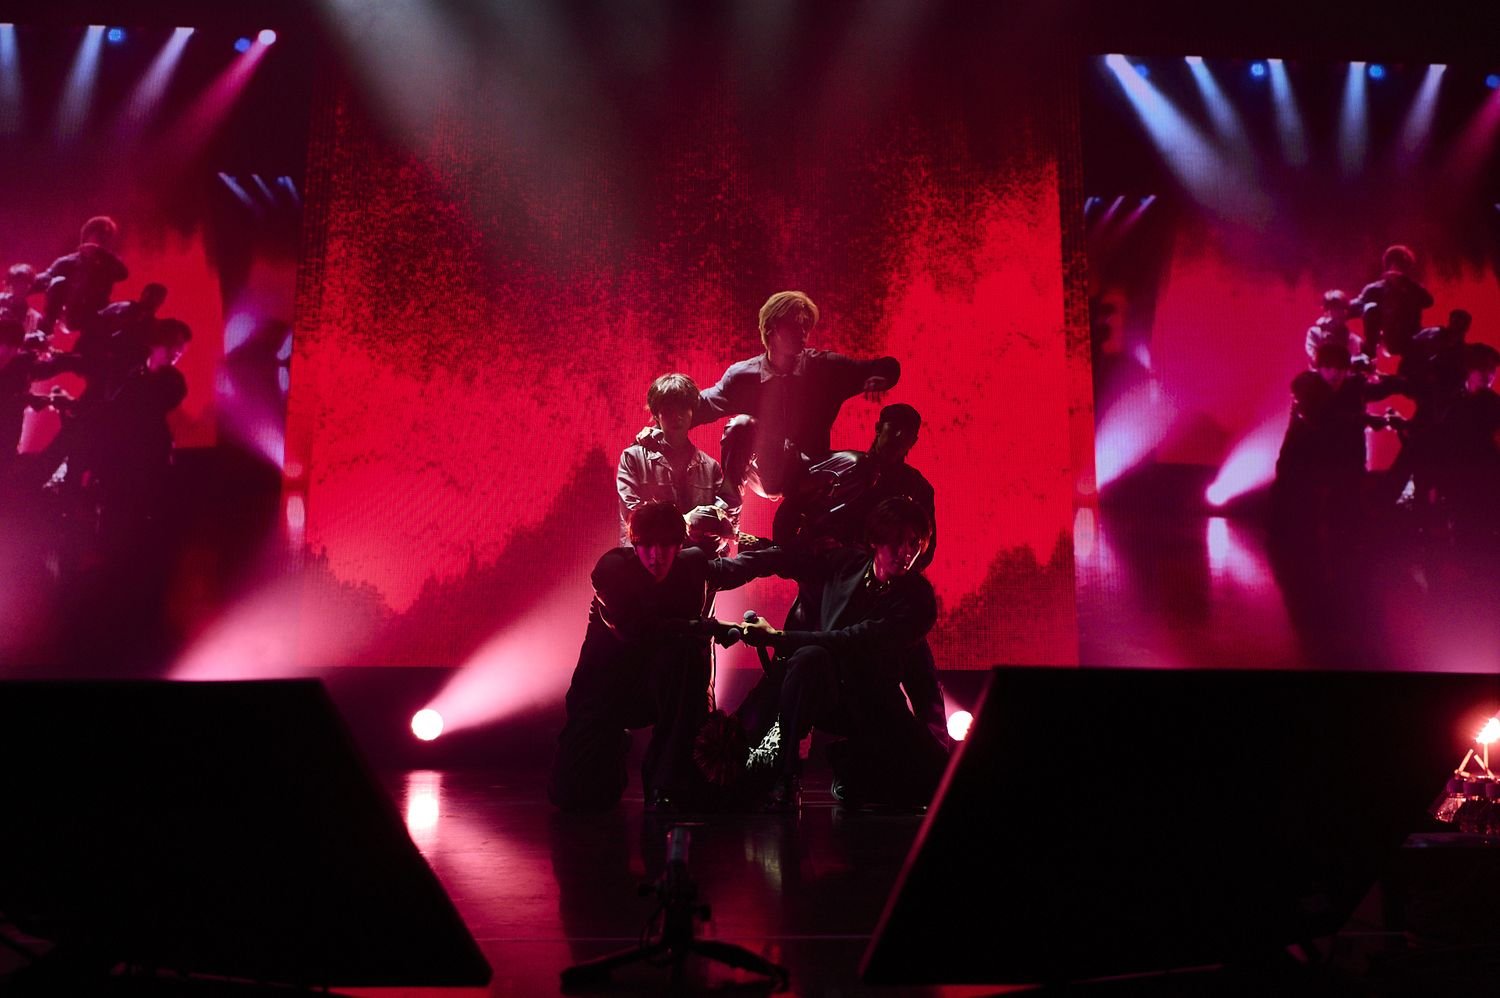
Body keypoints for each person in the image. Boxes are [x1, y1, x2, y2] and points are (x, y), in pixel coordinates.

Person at [548, 501, 782, 812]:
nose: (656, 556)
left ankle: (667, 783)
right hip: (607, 691)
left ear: (678, 545)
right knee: (575, 796)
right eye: (647, 546)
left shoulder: (692, 566)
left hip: (667, 688)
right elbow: (636, 630)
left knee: (686, 656)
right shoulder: (612, 571)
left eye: (665, 546)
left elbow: (738, 568)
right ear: (635, 545)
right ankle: (612, 749)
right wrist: (710, 626)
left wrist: (788, 554)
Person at [734, 496, 948, 812]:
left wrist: (777, 637)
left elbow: (855, 640)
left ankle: (853, 766)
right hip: (828, 692)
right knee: (809, 659)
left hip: (875, 707)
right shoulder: (846, 564)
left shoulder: (918, 600)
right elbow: (793, 561)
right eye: (897, 541)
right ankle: (786, 776)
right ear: (876, 541)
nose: (906, 552)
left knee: (937, 784)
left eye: (914, 543)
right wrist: (736, 552)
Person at [692, 291, 900, 499]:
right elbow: (704, 404)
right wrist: (672, 410)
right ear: (770, 327)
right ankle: (729, 504)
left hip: (811, 468)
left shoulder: (825, 367)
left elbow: (884, 367)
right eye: (794, 325)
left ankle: (825, 514)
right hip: (767, 472)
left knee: (858, 463)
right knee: (741, 425)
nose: (802, 332)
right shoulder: (743, 376)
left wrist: (881, 378)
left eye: (806, 326)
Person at [1269, 342, 1406, 549]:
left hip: (1333, 462)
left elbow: (1376, 391)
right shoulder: (1306, 386)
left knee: (1340, 509)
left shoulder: (1351, 387)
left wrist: (1396, 382)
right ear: (1319, 367)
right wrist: (1366, 420)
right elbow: (1321, 417)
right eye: (1328, 367)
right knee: (1293, 515)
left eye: (1339, 368)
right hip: (1301, 461)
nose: (1334, 374)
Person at [771, 402, 937, 569]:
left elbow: (924, 551)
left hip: (874, 578)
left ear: (913, 441)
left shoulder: (918, 489)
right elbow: (789, 513)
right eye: (895, 427)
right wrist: (802, 551)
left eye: (907, 433)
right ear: (879, 428)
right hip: (825, 570)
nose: (899, 436)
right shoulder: (843, 467)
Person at [617, 373, 740, 553]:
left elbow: (724, 526)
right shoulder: (633, 458)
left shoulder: (710, 467)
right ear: (656, 414)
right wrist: (685, 521)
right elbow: (633, 516)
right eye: (669, 410)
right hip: (647, 561)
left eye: (683, 408)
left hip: (696, 564)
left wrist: (719, 530)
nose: (677, 416)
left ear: (692, 411)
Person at [34, 216, 129, 340]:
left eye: (107, 237)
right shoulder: (67, 262)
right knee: (57, 283)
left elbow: (122, 273)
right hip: (69, 320)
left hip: (95, 322)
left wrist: (101, 254)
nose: (103, 241)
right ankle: (46, 332)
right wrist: (24, 280)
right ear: (87, 236)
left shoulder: (108, 264)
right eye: (99, 235)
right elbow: (45, 279)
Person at [1351, 245, 1433, 361]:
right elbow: (1357, 305)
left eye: (1401, 266)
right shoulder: (1375, 289)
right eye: (1393, 265)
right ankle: (1370, 354)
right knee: (1370, 308)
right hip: (1384, 338)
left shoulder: (1412, 289)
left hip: (1410, 337)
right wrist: (1340, 305)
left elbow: (1428, 301)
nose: (1396, 269)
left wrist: (1405, 284)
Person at [1304, 290, 1364, 367]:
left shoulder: (1354, 339)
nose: (1339, 313)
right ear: (1326, 311)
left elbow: (1355, 362)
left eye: (1342, 309)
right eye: (1334, 309)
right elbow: (1313, 358)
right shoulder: (1314, 333)